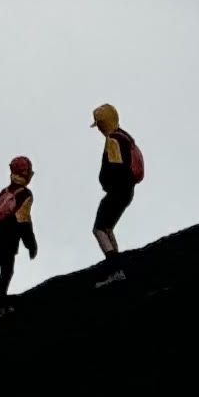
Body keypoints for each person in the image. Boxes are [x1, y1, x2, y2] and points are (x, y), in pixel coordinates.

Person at [90, 103, 143, 283]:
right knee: (108, 226)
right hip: (128, 191)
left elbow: (115, 168)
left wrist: (105, 182)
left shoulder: (113, 140)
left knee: (98, 229)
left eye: (98, 125)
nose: (98, 129)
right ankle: (118, 264)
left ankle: (115, 269)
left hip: (118, 190)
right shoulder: (126, 136)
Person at [0, 159, 38, 318]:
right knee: (6, 273)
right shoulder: (25, 194)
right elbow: (23, 220)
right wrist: (31, 245)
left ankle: (1, 303)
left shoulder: (5, 190)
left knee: (6, 271)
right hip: (6, 238)